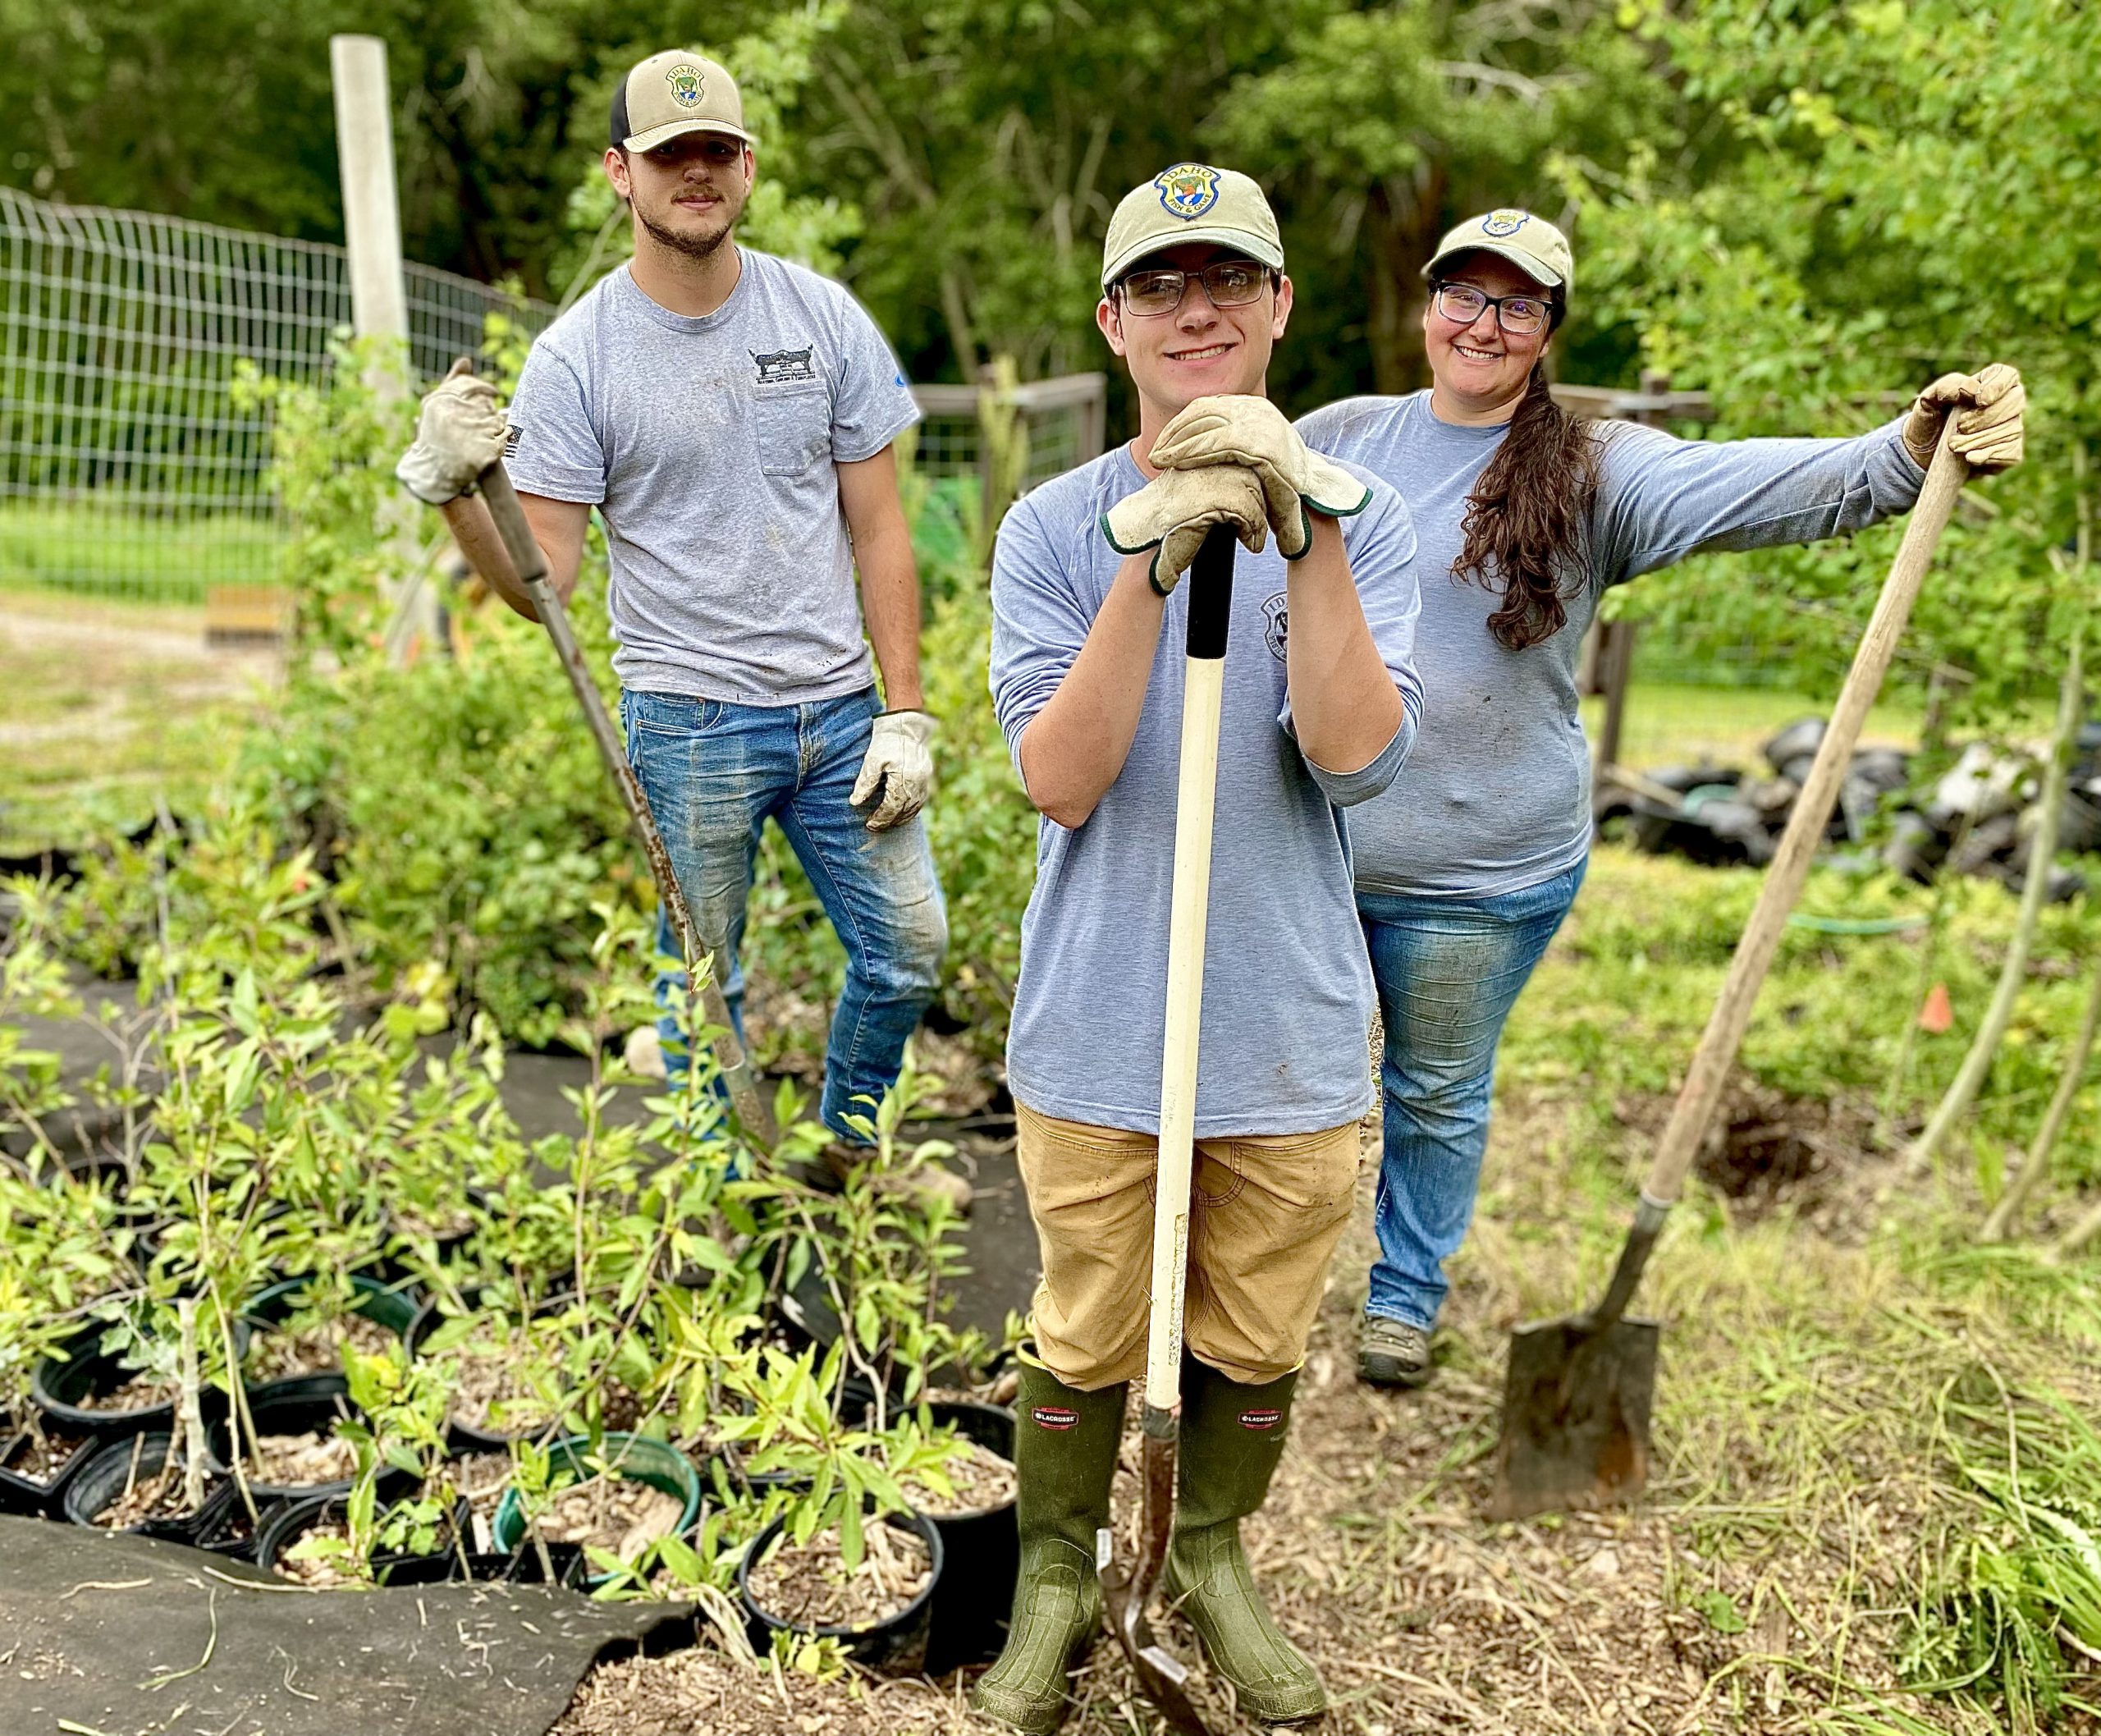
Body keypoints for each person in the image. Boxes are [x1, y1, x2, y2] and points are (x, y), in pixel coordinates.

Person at [1207, 206, 2021, 1389]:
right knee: (1296, 1082)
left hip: (1478, 871)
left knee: (1432, 1088)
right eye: (1465, 294)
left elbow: (1760, 485)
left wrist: (1902, 451)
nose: (1484, 323)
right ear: (1425, 305)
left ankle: (1403, 1296)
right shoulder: (1336, 439)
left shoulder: (1595, 467)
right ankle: (1250, 1283)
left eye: (1518, 303)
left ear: (1547, 331)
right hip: (1314, 851)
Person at [974, 163, 1424, 1733]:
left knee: (1251, 1322)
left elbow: (1359, 756)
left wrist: (1303, 538)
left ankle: (1212, 1558)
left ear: (1282, 306)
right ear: (1113, 322)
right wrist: (1149, 560)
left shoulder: (1369, 523)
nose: (1199, 309)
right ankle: (1053, 1578)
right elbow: (1061, 776)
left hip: (1284, 1022)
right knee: (1091, 1314)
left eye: (1229, 279)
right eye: (1161, 286)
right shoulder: (1047, 527)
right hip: (1103, 1012)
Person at [393, 50, 960, 1193]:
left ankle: (846, 1152)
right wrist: (456, 493)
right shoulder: (577, 358)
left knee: (908, 950)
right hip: (687, 720)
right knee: (705, 978)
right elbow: (541, 575)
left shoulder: (824, 318)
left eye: (717, 153)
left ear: (746, 168)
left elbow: (883, 526)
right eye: (669, 157)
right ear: (622, 172)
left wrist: (907, 715)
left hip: (841, 713)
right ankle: (719, 1193)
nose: (695, 174)